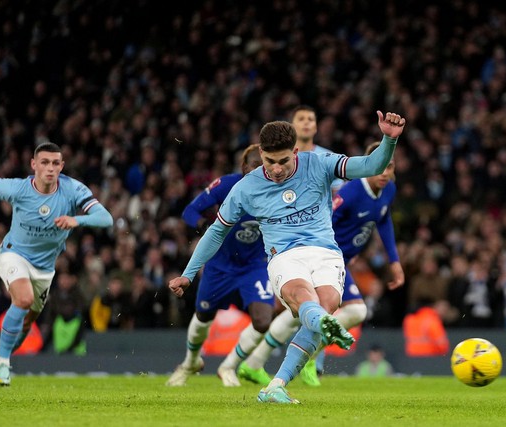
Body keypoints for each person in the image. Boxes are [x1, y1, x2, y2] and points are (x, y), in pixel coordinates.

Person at [169, 110, 405, 404]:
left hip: (326, 253)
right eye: (270, 161)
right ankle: (322, 324)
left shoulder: (319, 163)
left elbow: (371, 165)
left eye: (283, 161)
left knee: (328, 303)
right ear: (261, 155)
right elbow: (216, 232)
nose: (277, 169)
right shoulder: (246, 187)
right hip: (284, 256)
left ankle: (277, 385)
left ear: (295, 151)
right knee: (304, 296)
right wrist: (188, 274)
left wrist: (389, 140)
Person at [237, 142, 405, 387]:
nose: (384, 173)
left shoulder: (388, 190)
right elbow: (324, 218)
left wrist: (394, 260)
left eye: (389, 167)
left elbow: (383, 220)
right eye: (380, 166)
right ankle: (306, 356)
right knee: (349, 310)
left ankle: (258, 363)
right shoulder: (351, 193)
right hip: (325, 258)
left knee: (307, 313)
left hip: (341, 262)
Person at [0, 142, 113, 386]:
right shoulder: (18, 188)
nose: (50, 168)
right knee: (23, 299)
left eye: (55, 163)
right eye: (45, 163)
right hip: (12, 254)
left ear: (61, 166)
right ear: (34, 165)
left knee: (26, 325)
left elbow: (106, 218)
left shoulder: (72, 189)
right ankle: (4, 365)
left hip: (44, 269)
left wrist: (76, 220)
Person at [166, 144, 275, 387]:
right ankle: (191, 361)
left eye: (265, 164)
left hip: (253, 266)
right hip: (220, 265)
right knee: (203, 316)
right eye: (256, 164)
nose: (262, 170)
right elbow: (190, 211)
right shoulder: (226, 185)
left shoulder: (276, 190)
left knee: (263, 321)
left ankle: (228, 366)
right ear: (244, 167)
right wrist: (207, 227)